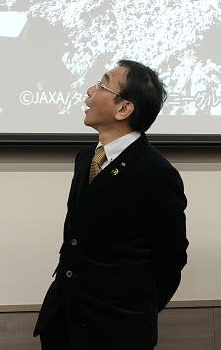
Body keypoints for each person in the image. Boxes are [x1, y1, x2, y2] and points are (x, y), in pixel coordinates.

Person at [34, 60, 188, 350]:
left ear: (123, 109)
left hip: (116, 329)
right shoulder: (86, 157)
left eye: (102, 85)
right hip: (64, 319)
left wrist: (136, 310)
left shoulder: (156, 172)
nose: (89, 92)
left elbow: (171, 257)